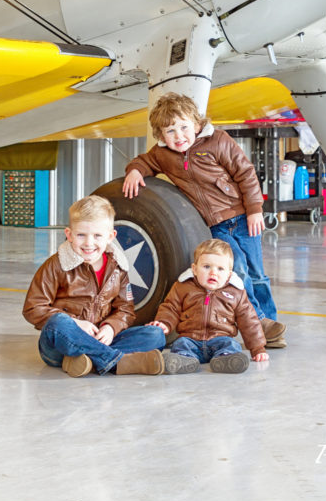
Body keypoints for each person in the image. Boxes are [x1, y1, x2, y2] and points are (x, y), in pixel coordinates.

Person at [122, 92, 286, 349]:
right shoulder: (163, 154)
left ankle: (270, 324)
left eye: (184, 127)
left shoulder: (218, 140)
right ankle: (259, 323)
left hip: (243, 216)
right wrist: (134, 171)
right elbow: (142, 161)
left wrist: (255, 209)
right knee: (238, 269)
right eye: (170, 131)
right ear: (161, 135)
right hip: (215, 226)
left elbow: (245, 172)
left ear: (196, 124)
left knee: (257, 272)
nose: (179, 136)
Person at [22, 194, 166, 377]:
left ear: (111, 236)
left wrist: (110, 327)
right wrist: (76, 324)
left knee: (155, 335)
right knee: (59, 323)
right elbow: (32, 308)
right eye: (81, 235)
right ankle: (116, 362)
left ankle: (85, 360)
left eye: (97, 235)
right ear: (69, 235)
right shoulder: (56, 265)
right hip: (60, 345)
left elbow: (126, 310)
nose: (89, 243)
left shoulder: (118, 268)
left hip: (100, 338)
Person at [148, 239, 268, 373]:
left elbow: (249, 321)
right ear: (194, 269)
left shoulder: (236, 292)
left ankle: (226, 359)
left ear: (229, 274)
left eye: (220, 269)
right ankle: (184, 359)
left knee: (231, 345)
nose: (213, 273)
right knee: (180, 344)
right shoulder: (183, 287)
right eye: (206, 267)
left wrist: (257, 348)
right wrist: (164, 323)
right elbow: (170, 307)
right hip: (190, 338)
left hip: (221, 338)